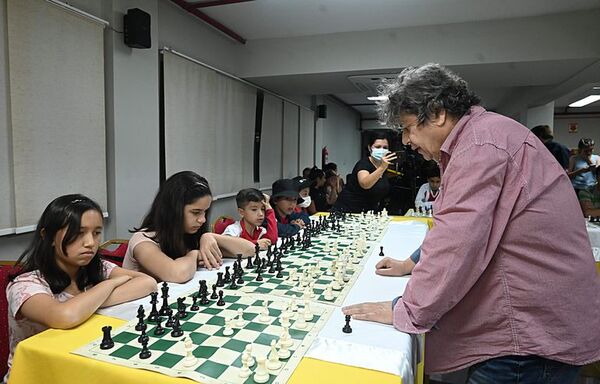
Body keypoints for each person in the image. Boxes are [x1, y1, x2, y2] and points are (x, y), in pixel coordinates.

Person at [343, 63, 600, 383]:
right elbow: (462, 223)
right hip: (535, 326)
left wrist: (405, 309)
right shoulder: (483, 135)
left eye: (408, 128)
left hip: (528, 339)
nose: (406, 141)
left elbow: (458, 240)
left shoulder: (479, 146)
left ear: (437, 114)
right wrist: (410, 262)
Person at [5, 194, 157, 382]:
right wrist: (110, 284)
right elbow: (64, 316)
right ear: (48, 236)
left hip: (83, 364)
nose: (90, 243)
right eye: (78, 233)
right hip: (38, 374)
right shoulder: (25, 285)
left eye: (96, 233)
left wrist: (89, 304)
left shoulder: (93, 268)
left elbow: (148, 283)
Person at [123, 171, 255, 283]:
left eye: (205, 212)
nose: (202, 220)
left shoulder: (189, 235)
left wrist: (210, 236)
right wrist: (194, 254)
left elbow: (250, 250)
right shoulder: (142, 241)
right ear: (173, 210)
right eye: (196, 212)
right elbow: (177, 274)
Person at [333, 132, 397, 213]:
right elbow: (365, 184)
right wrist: (382, 168)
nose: (382, 150)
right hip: (348, 210)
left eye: (385, 147)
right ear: (370, 148)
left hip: (368, 212)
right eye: (378, 147)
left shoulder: (383, 165)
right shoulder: (364, 164)